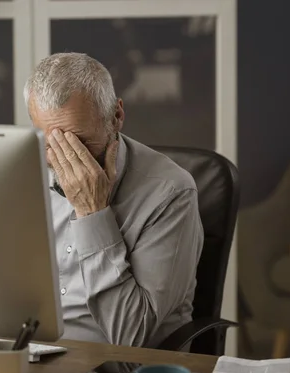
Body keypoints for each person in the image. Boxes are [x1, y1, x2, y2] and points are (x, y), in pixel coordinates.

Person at [24, 53, 203, 348]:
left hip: (117, 369)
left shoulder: (172, 193)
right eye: (50, 143)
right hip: (31, 350)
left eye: (80, 142)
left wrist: (92, 213)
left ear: (117, 116)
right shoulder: (23, 173)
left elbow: (131, 336)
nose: (66, 158)